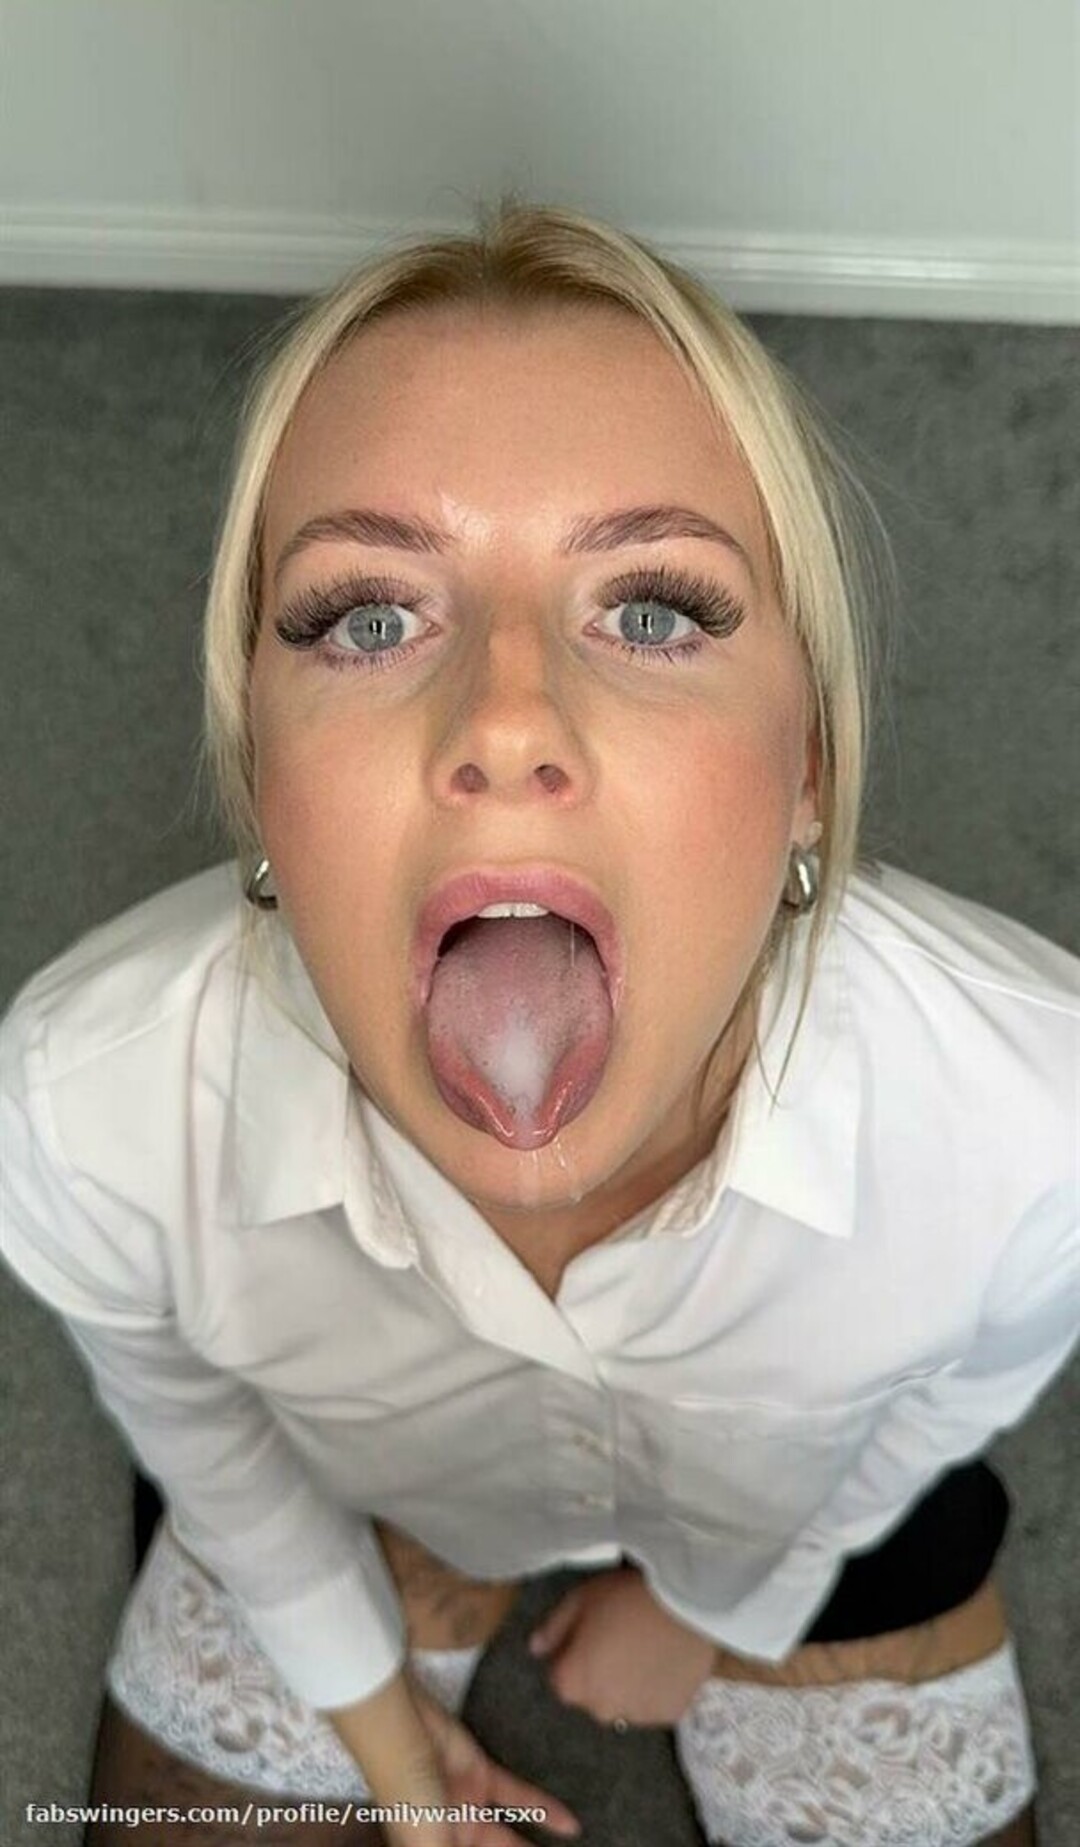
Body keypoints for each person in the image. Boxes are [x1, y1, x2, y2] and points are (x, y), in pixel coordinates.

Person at [1, 195, 1075, 1847]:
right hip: (372, 1498)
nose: (505, 720)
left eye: (653, 609)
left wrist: (721, 1609)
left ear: (808, 766)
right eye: (368, 617)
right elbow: (200, 1430)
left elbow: (952, 1398)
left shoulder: (1036, 1126)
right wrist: (382, 1730)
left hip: (774, 1523)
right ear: (261, 784)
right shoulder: (83, 1120)